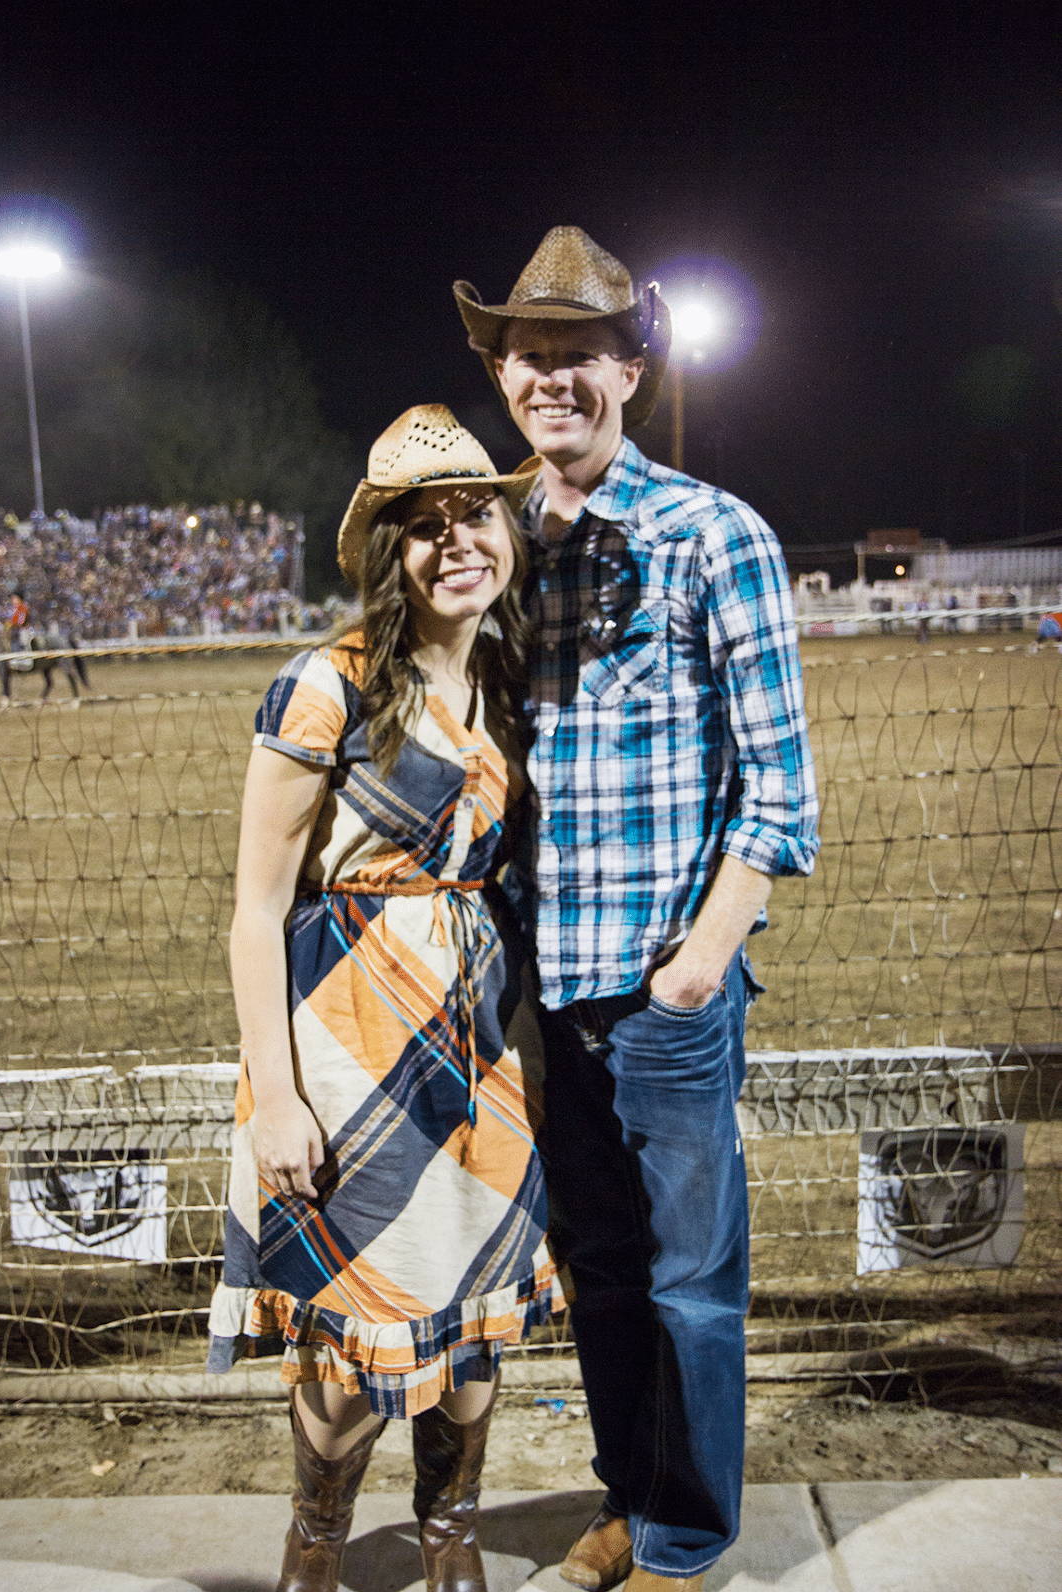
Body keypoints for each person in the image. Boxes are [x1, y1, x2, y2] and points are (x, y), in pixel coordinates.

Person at [454, 228, 820, 1592]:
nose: (548, 380)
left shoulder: (711, 535)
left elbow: (778, 794)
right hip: (541, 994)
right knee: (598, 1276)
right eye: (525, 358)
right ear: (503, 379)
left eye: (574, 357)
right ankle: (627, 1498)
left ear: (627, 367)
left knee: (685, 1287)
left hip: (661, 989)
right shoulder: (500, 545)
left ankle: (682, 1538)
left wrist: (694, 965)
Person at [207, 405, 561, 1592]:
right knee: (348, 1353)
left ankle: (448, 1532)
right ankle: (317, 1544)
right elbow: (256, 909)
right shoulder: (327, 684)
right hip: (346, 1055)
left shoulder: (510, 685)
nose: (458, 541)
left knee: (468, 1330)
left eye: (477, 517)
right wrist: (274, 1100)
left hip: (480, 1055)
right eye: (426, 527)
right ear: (386, 553)